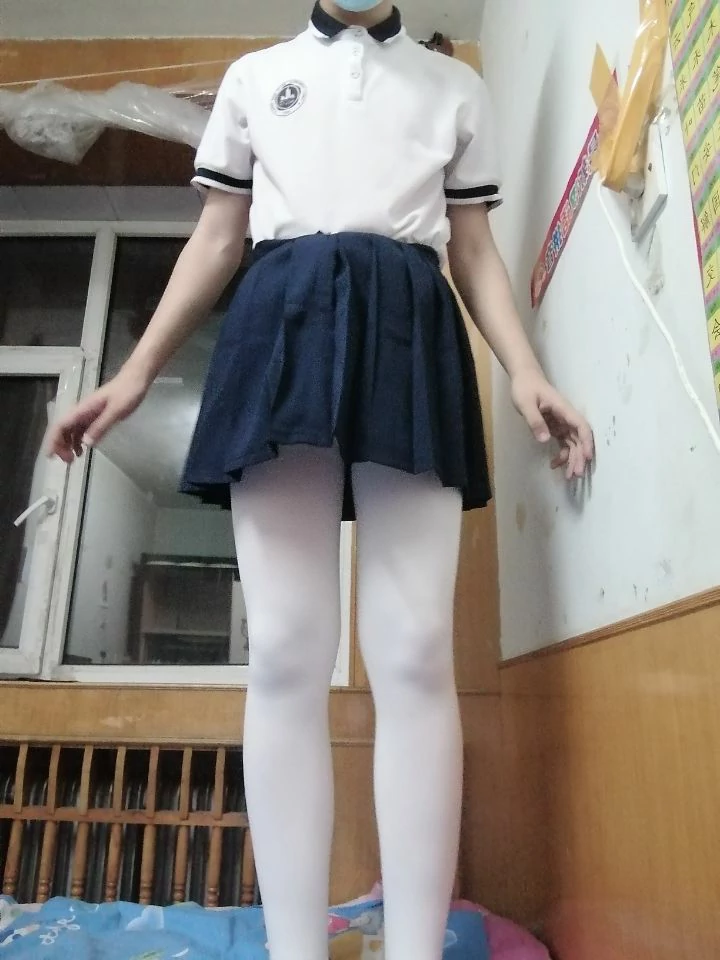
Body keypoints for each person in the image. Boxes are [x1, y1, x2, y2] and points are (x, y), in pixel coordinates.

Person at [48, 3, 594, 960]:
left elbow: (471, 248)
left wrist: (526, 371)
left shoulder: (456, 87)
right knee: (286, 651)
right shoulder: (255, 77)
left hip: (410, 322)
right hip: (279, 319)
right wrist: (132, 377)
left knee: (415, 650)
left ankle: (415, 949)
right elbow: (217, 237)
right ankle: (292, 950)